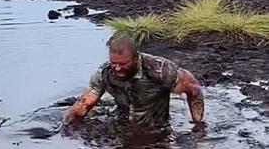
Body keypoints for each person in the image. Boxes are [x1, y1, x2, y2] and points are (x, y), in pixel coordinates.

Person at [64, 33, 204, 127]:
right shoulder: (104, 73)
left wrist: (197, 125)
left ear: (136, 58)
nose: (117, 68)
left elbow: (194, 90)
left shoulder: (161, 71)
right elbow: (84, 104)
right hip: (122, 122)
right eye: (114, 63)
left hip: (156, 127)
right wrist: (66, 129)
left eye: (123, 64)